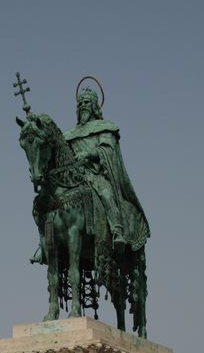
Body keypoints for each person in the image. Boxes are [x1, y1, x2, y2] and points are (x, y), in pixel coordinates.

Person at [64, 88, 150, 251]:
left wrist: (88, 154)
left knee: (106, 194)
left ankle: (117, 231)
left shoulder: (104, 127)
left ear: (95, 105)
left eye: (87, 102)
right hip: (75, 177)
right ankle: (47, 244)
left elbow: (107, 149)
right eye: (80, 103)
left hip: (96, 174)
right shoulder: (68, 135)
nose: (83, 105)